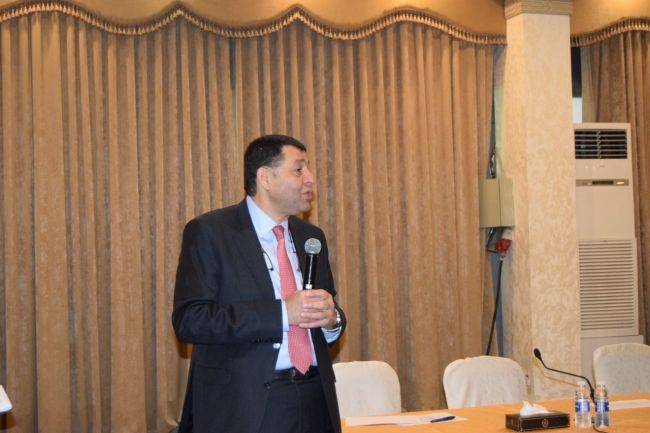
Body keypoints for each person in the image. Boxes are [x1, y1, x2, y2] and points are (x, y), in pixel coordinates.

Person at [172, 134, 346, 433]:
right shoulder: (211, 233)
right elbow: (191, 320)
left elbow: (328, 309)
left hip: (315, 397)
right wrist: (282, 313)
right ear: (265, 178)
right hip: (246, 405)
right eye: (299, 169)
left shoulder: (311, 237)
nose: (310, 179)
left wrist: (332, 321)